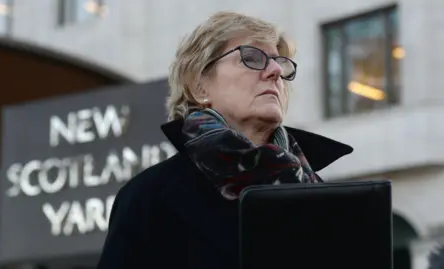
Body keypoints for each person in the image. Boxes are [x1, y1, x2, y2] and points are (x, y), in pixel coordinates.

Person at [96, 11, 353, 269]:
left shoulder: (325, 197)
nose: (275, 71)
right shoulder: (148, 198)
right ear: (200, 86)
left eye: (279, 62)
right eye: (252, 58)